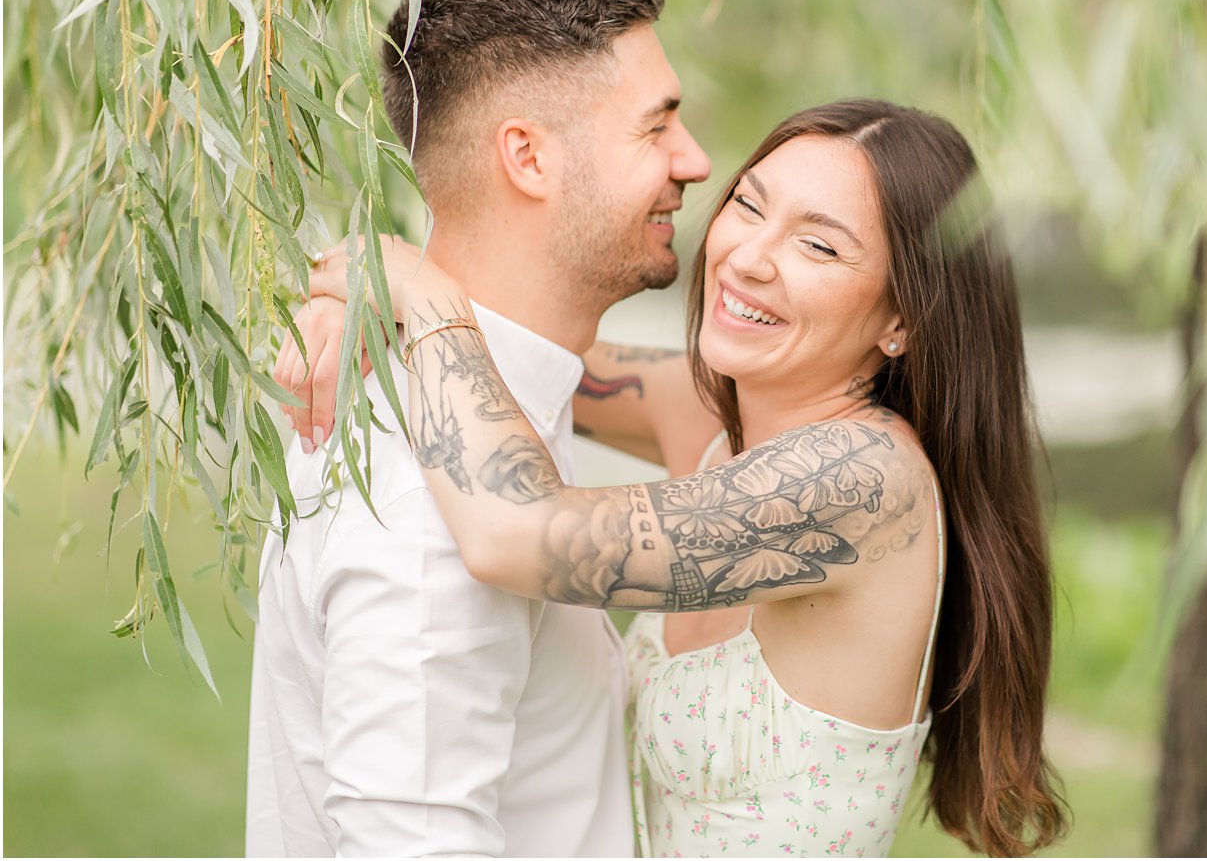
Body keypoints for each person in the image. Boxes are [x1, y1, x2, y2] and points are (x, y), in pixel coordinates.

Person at [285, 99, 1069, 857]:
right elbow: (514, 354)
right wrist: (357, 304)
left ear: (902, 318)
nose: (750, 256)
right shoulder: (711, 416)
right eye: (749, 205)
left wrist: (420, 299)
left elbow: (517, 532)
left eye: (819, 246)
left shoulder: (862, 480)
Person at [244, 0, 711, 857]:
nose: (693, 161)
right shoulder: (426, 510)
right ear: (528, 158)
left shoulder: (490, 397)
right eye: (657, 126)